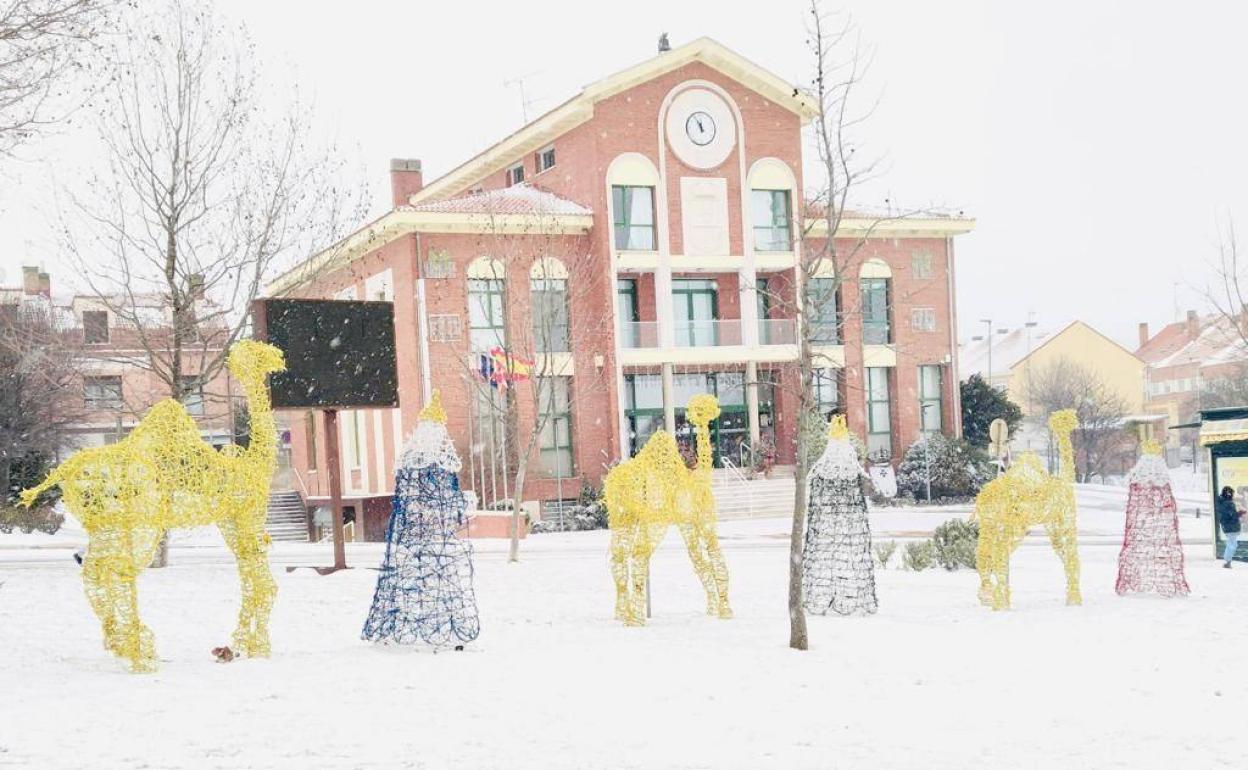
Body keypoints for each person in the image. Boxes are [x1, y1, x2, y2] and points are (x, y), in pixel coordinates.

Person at [1216, 486, 1244, 568]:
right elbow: (1232, 516)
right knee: (1232, 544)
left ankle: (1228, 561)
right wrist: (1240, 513)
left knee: (1232, 544)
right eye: (1232, 494)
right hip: (1231, 527)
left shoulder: (1222, 502)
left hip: (1228, 527)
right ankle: (1228, 562)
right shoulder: (1228, 503)